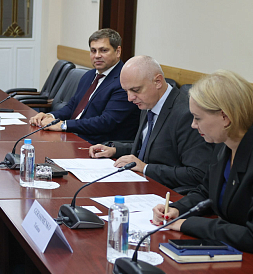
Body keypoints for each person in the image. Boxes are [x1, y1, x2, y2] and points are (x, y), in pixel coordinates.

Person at [151, 70, 253, 254]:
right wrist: (176, 209)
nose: (193, 125)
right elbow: (207, 191)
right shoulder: (224, 145)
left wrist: (188, 224)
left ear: (225, 117)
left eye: (198, 118)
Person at [89, 55, 215, 191]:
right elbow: (149, 147)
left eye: (135, 90)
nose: (130, 98)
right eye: (126, 91)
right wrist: (115, 150)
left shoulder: (186, 114)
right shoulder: (148, 103)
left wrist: (145, 168)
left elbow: (197, 173)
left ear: (158, 82)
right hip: (141, 184)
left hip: (167, 193)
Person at [29, 28, 139, 144]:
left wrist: (64, 125)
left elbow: (106, 122)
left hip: (97, 145)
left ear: (118, 51)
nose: (97, 56)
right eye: (93, 51)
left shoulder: (124, 81)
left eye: (103, 50)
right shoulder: (89, 75)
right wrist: (49, 116)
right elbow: (72, 107)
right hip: (72, 137)